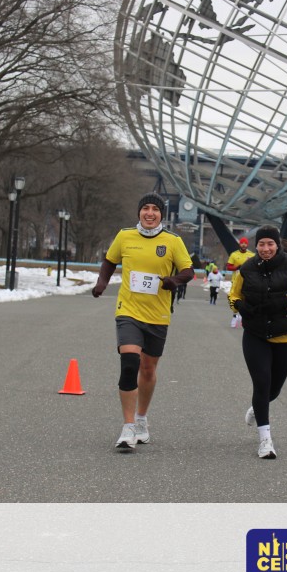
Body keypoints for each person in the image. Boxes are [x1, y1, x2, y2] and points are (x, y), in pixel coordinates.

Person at [92, 192, 194, 450]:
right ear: (139, 212)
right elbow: (109, 261)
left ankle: (141, 419)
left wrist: (174, 281)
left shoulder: (172, 241)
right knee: (129, 362)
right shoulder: (125, 236)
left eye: (155, 209)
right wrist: (102, 282)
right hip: (128, 310)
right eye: (145, 208)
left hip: (158, 314)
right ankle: (127, 427)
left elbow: (188, 270)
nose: (150, 213)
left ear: (161, 214)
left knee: (148, 369)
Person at [228, 228, 287, 459]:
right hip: (256, 335)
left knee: (273, 390)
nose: (265, 248)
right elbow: (233, 295)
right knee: (262, 383)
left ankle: (257, 408)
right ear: (256, 246)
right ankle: (265, 440)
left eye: (270, 244)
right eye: (261, 244)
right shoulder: (247, 268)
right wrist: (240, 306)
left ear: (277, 245)